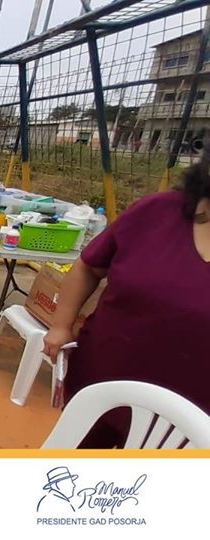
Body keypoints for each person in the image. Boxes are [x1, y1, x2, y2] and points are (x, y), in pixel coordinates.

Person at [43, 147, 210, 449]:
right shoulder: (156, 212)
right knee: (73, 472)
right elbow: (88, 267)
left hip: (189, 424)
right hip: (103, 387)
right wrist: (60, 325)